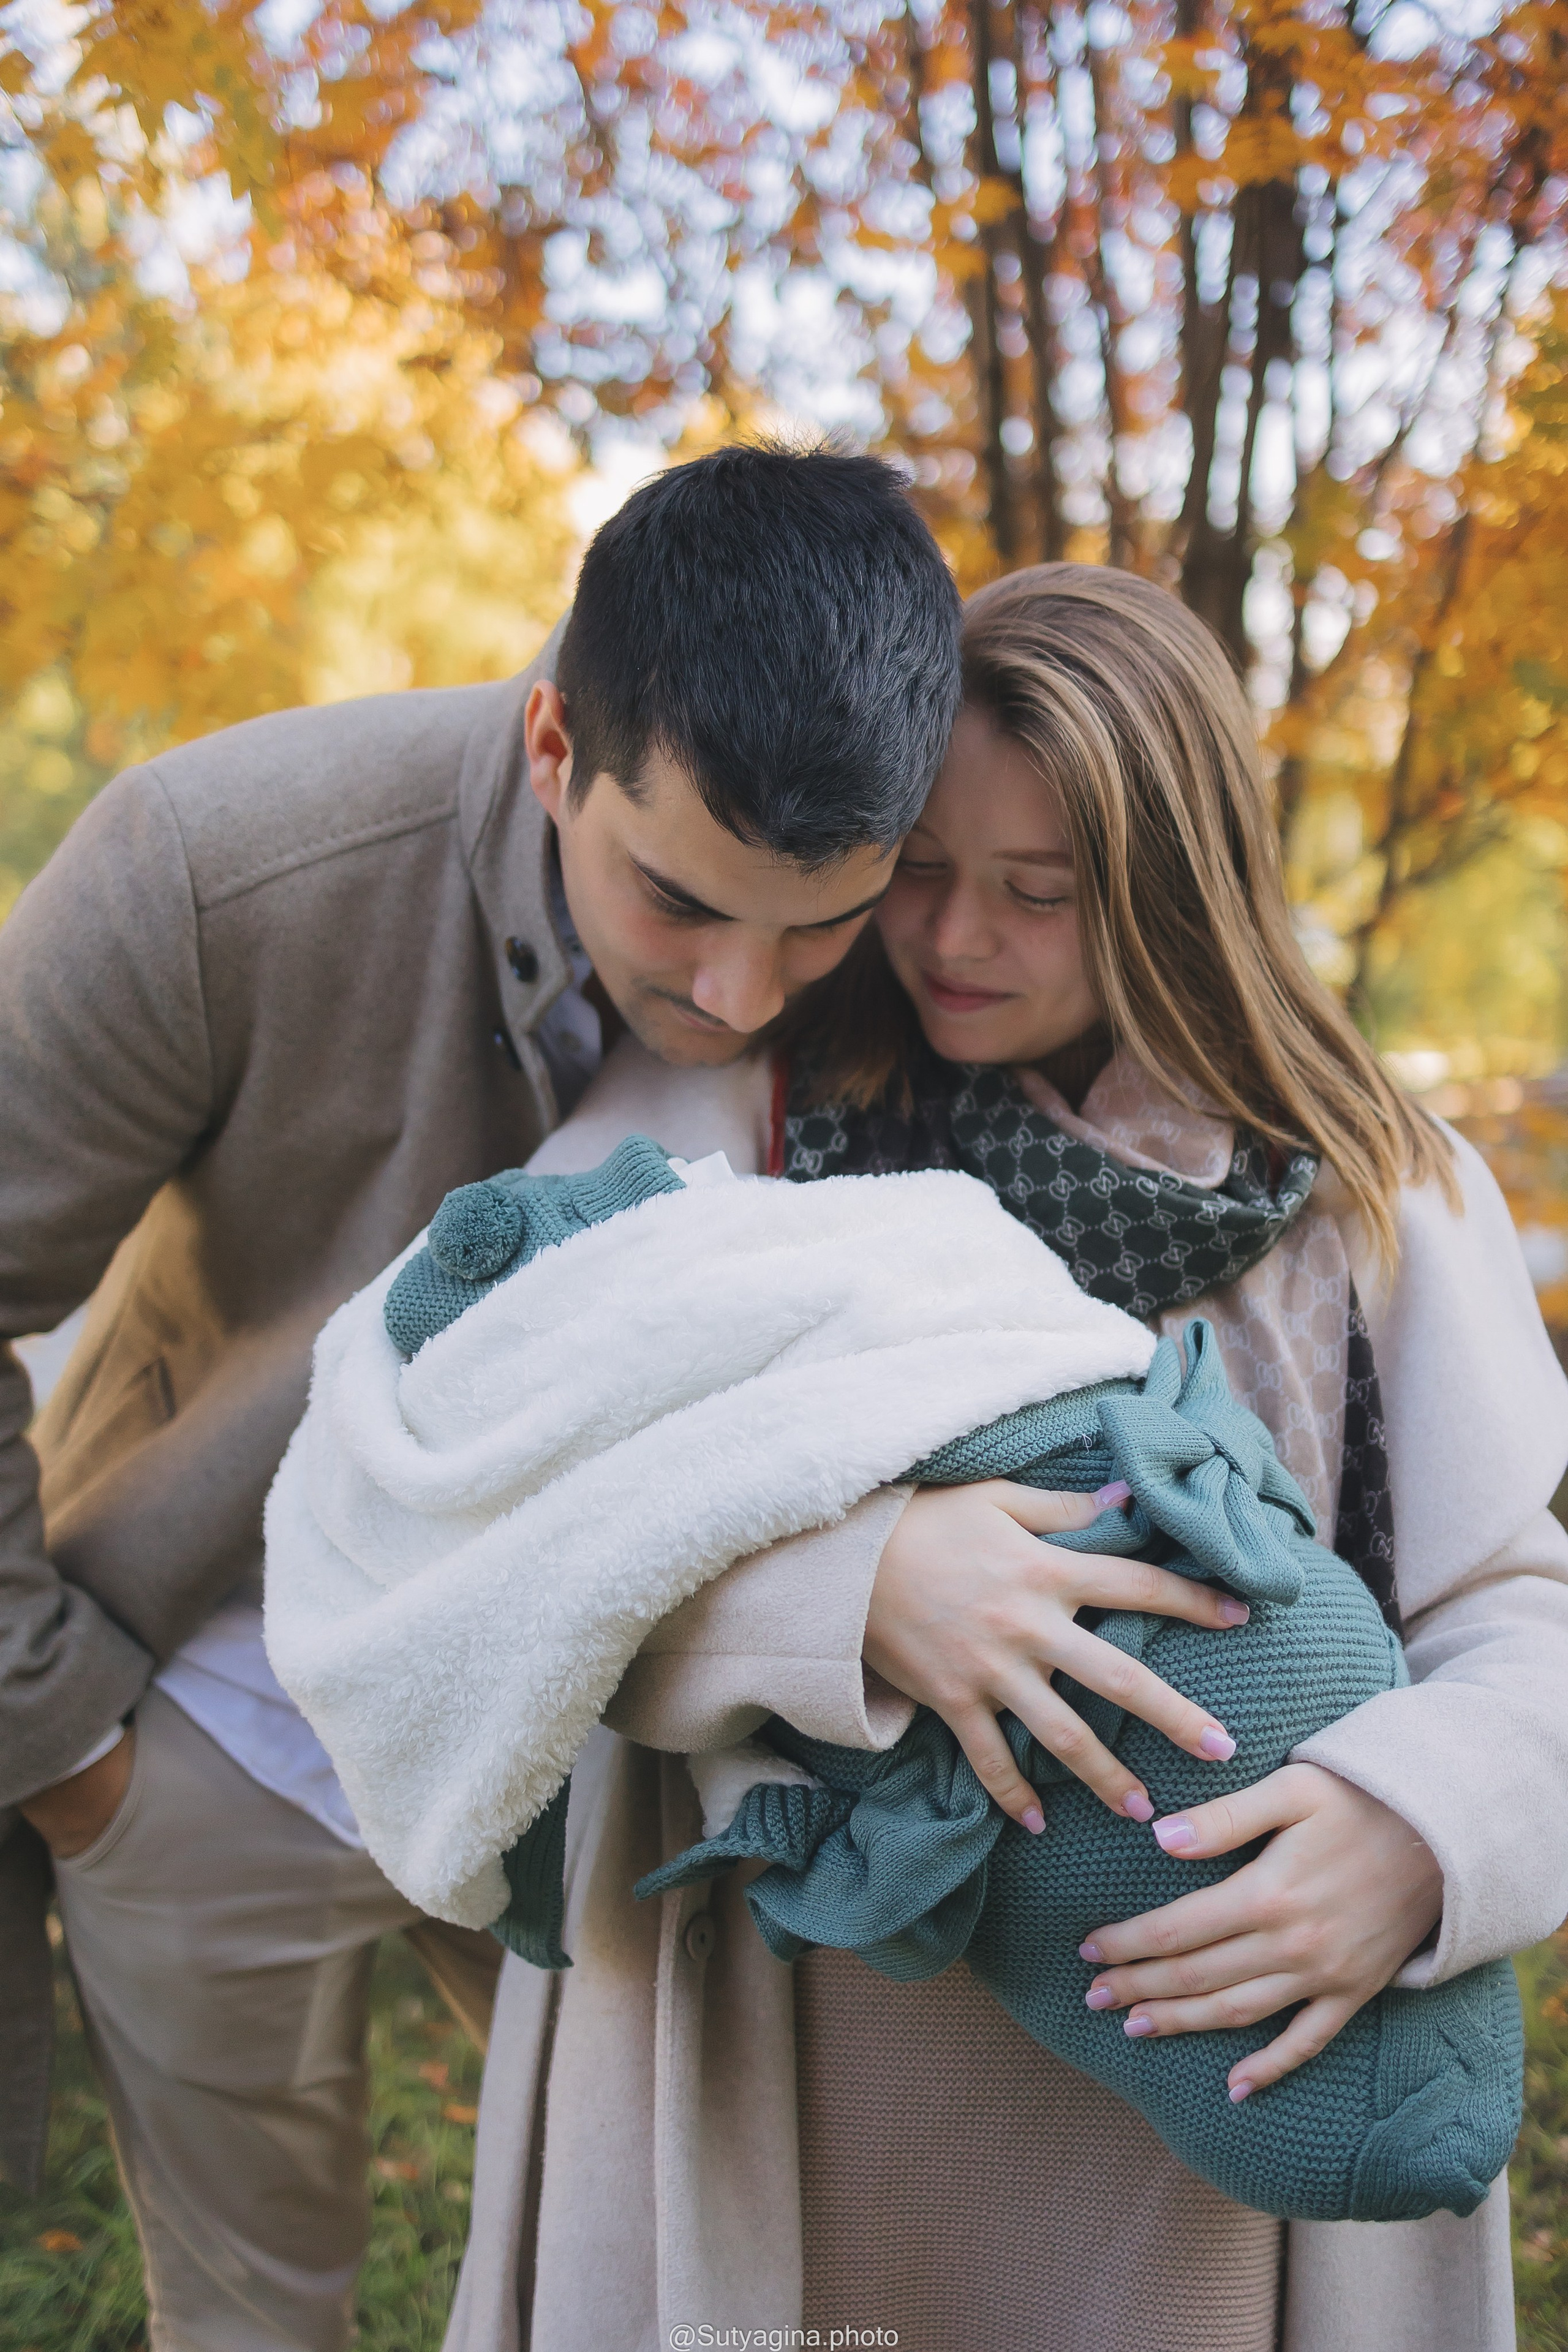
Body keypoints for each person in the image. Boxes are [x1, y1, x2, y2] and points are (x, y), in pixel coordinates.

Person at [446, 563, 1568, 2352]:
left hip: (1225, 2049)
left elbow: (1516, 1610)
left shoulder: (1372, 1186)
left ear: (1173, 890)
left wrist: (1419, 1835)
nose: (958, 939)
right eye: (925, 877)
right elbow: (529, 1526)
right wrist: (855, 1590)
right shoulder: (745, 1121)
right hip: (801, 2042)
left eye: (1040, 893)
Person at [0, 442, 965, 2351]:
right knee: (259, 2314)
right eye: (680, 902)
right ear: (551, 747)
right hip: (202, 1733)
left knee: (692, 2294)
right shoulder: (213, 862)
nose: (749, 990)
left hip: (603, 1750)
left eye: (819, 922)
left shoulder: (931, 921)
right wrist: (68, 1752)